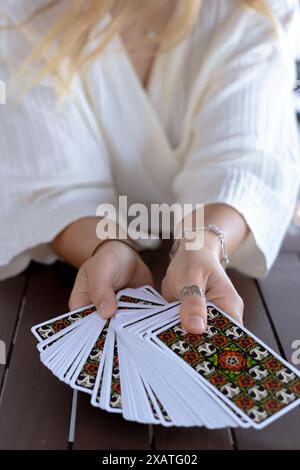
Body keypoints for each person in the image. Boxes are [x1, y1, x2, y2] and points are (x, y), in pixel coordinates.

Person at [0, 0, 299, 334]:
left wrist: (202, 246)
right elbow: (56, 184)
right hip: (69, 269)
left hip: (227, 263)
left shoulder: (256, 11)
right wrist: (108, 247)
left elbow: (241, 163)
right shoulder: (23, 13)